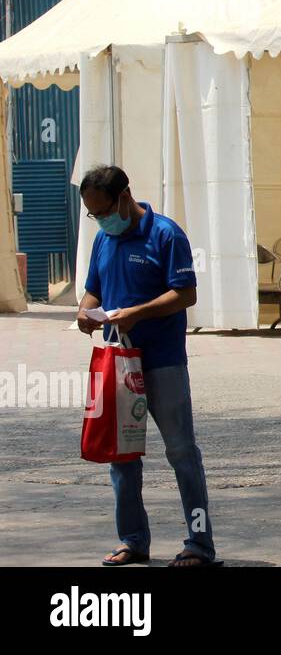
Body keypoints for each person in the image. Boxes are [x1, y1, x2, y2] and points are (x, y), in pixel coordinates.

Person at [75, 165, 216, 567]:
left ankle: (200, 543)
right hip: (118, 364)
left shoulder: (166, 234)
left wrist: (138, 313)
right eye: (93, 214)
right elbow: (92, 291)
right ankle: (133, 540)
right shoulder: (104, 240)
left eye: (102, 210)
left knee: (182, 452)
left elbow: (185, 294)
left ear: (123, 197)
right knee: (120, 456)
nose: (101, 220)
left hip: (162, 361)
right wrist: (85, 313)